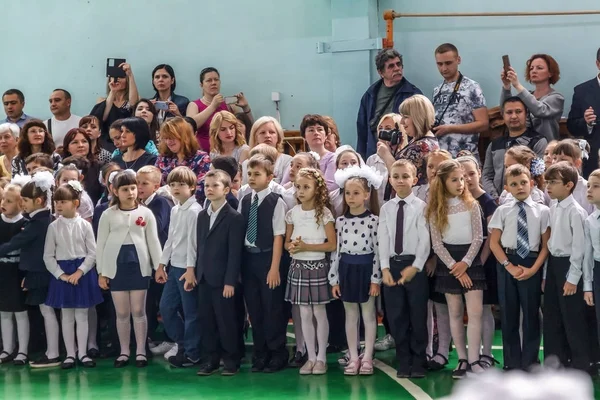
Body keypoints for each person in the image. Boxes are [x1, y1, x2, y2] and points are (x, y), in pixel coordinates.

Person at [96, 170, 162, 368]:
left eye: (133, 188)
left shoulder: (146, 213)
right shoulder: (107, 214)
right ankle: (124, 351)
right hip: (116, 267)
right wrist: (102, 272)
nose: (131, 192)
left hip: (139, 266)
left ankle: (141, 350)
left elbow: (153, 241)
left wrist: (158, 266)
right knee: (122, 313)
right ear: (115, 191)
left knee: (138, 310)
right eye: (125, 189)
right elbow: (101, 244)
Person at [426, 160, 485, 378]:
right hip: (449, 263)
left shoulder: (472, 205)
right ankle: (461, 358)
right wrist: (454, 267)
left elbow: (479, 237)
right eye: (455, 180)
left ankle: (475, 360)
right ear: (443, 182)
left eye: (462, 179)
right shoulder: (435, 211)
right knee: (455, 312)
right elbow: (437, 244)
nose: (461, 183)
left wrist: (465, 264)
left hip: (470, 262)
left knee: (475, 312)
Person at [489, 164, 549, 371]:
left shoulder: (543, 211)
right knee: (509, 314)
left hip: (531, 262)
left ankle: (531, 361)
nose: (520, 187)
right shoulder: (502, 211)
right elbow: (494, 243)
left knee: (532, 314)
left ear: (531, 183)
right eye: (514, 184)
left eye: (524, 182)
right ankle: (512, 362)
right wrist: (508, 266)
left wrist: (533, 270)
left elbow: (545, 245)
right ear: (507, 188)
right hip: (508, 262)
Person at [377, 159, 430, 378]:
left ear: (414, 180)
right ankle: (404, 360)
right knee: (396, 317)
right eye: (396, 176)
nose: (400, 180)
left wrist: (416, 266)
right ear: (390, 179)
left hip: (414, 268)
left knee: (417, 316)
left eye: (405, 176)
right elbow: (384, 237)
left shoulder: (421, 207)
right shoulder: (386, 208)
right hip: (393, 267)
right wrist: (385, 268)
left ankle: (419, 361)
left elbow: (424, 240)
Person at [0, 172, 58, 367]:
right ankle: (52, 351)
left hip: (40, 272)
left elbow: (18, 242)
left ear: (39, 200)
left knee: (47, 312)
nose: (22, 204)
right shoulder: (40, 219)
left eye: (24, 200)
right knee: (46, 312)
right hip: (37, 271)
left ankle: (53, 353)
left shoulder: (38, 223)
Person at [43, 182, 102, 369]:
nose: (58, 205)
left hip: (82, 273)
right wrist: (61, 275)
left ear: (75, 203)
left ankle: (83, 354)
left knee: (82, 315)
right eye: (56, 202)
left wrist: (80, 271)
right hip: (63, 274)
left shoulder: (84, 225)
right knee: (66, 316)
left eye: (63, 201)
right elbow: (48, 256)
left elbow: (93, 252)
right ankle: (70, 354)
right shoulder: (53, 227)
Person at [329, 165, 382, 376]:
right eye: (348, 193)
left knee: (368, 315)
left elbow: (378, 252)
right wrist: (334, 279)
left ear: (367, 195)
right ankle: (353, 356)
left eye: (356, 193)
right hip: (346, 270)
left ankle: (367, 357)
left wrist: (375, 279)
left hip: (366, 270)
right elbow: (337, 252)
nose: (351, 197)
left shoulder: (373, 221)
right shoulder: (340, 222)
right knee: (350, 315)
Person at [191, 170, 244, 376]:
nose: (209, 189)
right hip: (205, 278)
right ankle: (211, 359)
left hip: (224, 280)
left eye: (215, 186)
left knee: (227, 321)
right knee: (208, 321)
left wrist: (230, 281)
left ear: (227, 189)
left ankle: (231, 360)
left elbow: (234, 253)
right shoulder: (203, 216)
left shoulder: (234, 217)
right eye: (206, 186)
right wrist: (196, 273)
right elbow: (200, 247)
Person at [239, 154, 289, 373]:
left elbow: (279, 236)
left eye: (257, 174)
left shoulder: (276, 201)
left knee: (272, 309)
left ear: (270, 177)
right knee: (255, 310)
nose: (251, 178)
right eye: (249, 174)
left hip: (269, 258)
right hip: (249, 259)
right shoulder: (245, 200)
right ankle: (261, 353)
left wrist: (274, 268)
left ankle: (278, 353)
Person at [284, 167, 336, 375]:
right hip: (298, 267)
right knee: (304, 313)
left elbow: (331, 245)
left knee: (319, 312)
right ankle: (310, 357)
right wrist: (293, 246)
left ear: (317, 189)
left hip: (317, 266)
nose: (301, 191)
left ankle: (321, 358)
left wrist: (307, 247)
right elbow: (287, 242)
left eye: (306, 187)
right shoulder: (292, 213)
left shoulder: (324, 213)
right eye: (298, 187)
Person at [543, 162, 590, 371]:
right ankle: (555, 362)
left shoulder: (576, 211)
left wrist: (572, 278)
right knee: (553, 315)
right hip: (554, 264)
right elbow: (552, 243)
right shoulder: (554, 206)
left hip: (569, 266)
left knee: (572, 317)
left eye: (553, 182)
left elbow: (579, 248)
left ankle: (581, 364)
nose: (548, 187)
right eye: (547, 182)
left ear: (569, 185)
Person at [155, 167, 202, 368]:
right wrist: (161, 264)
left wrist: (191, 269)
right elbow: (171, 240)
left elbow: (193, 243)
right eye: (172, 184)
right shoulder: (175, 209)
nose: (176, 188)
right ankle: (184, 344)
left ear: (192, 187)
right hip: (174, 267)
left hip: (186, 269)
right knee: (166, 308)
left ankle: (192, 353)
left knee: (191, 312)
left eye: (181, 184)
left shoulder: (194, 211)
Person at [458, 155, 499, 369]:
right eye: (462, 175)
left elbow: (491, 236)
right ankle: (467, 356)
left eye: (471, 173)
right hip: (463, 262)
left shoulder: (487, 202)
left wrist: (480, 262)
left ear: (480, 173)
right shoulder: (458, 202)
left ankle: (487, 353)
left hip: (484, 261)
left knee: (484, 309)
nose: (468, 179)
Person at [356, 49, 422, 159]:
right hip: (374, 154)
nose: (397, 68)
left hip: (402, 153)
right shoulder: (370, 95)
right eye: (391, 66)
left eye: (398, 64)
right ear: (381, 72)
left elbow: (421, 127)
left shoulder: (414, 94)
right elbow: (362, 130)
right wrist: (361, 159)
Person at [482, 97, 548, 199]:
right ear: (503, 116)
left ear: (526, 114)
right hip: (498, 200)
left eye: (518, 111)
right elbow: (486, 176)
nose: (514, 116)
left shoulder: (537, 141)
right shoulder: (494, 145)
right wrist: (495, 198)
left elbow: (539, 174)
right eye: (509, 112)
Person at [432, 43, 489, 159]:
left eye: (448, 63)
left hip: (464, 157)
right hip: (442, 157)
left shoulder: (471, 87)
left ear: (458, 60)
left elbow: (483, 123)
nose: (444, 68)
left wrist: (450, 128)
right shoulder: (437, 90)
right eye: (440, 64)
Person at [377, 95, 439, 188]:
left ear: (418, 117)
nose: (401, 122)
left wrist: (386, 155)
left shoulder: (422, 146)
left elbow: (401, 178)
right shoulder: (422, 140)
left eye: (405, 117)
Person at [501, 54, 564, 143]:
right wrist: (506, 85)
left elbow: (540, 110)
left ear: (550, 73)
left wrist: (517, 85)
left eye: (539, 68)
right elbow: (505, 110)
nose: (534, 71)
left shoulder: (556, 97)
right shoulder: (526, 95)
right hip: (522, 147)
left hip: (547, 148)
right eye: (531, 68)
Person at [187, 67, 251, 152]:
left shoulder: (229, 105)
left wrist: (245, 107)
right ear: (201, 85)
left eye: (216, 80)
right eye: (209, 80)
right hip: (203, 154)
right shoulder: (194, 105)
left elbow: (249, 127)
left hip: (228, 153)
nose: (213, 83)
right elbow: (189, 127)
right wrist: (213, 106)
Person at [0, 182, 29, 365]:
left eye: (9, 201)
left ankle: (23, 350)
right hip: (2, 272)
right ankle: (7, 348)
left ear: (21, 204)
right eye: (3, 199)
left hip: (17, 272)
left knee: (20, 312)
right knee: (4, 312)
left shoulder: (25, 224)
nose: (4, 203)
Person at [155, 117, 211, 204]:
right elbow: (154, 185)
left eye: (172, 137)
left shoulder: (201, 158)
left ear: (184, 136)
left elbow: (202, 190)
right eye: (166, 138)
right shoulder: (162, 158)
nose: (169, 142)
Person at [90, 62, 139, 151]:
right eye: (114, 77)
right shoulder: (103, 100)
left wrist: (130, 75)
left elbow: (134, 104)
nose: (117, 79)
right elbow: (101, 117)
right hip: (106, 142)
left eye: (122, 77)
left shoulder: (131, 100)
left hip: (126, 142)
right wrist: (113, 91)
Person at [567, 48, 600, 178]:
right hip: (593, 159)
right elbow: (571, 126)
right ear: (598, 64)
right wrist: (586, 123)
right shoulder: (582, 90)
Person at [244, 116, 292, 184]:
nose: (267, 136)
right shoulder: (246, 163)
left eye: (272, 132)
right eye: (262, 132)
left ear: (278, 137)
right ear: (255, 137)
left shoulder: (288, 161)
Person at [552, 139, 595, 214]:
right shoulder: (550, 186)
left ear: (577, 163)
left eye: (563, 159)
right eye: (554, 158)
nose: (556, 163)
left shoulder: (586, 188)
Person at [61, 128, 103, 205]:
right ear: (67, 148)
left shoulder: (99, 166)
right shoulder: (62, 168)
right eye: (75, 142)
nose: (80, 145)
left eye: (84, 141)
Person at [297, 114, 337, 191]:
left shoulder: (332, 158)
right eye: (311, 130)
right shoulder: (299, 159)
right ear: (304, 137)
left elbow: (330, 186)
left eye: (320, 129)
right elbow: (284, 184)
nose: (316, 133)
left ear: (325, 135)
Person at [584, 169, 600, 354]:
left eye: (596, 186)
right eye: (588, 186)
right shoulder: (590, 221)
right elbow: (588, 255)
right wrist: (588, 286)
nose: (589, 190)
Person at [136, 166, 171, 246]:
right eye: (137, 182)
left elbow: (156, 227)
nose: (139, 186)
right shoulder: (139, 202)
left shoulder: (160, 202)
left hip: (160, 250)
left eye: (144, 183)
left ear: (156, 187)